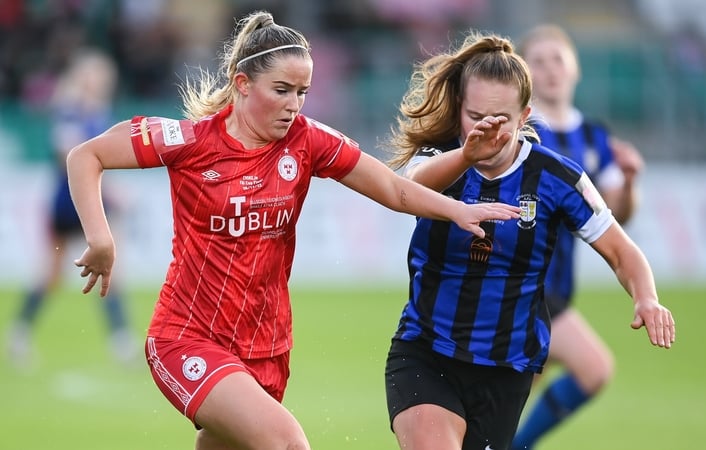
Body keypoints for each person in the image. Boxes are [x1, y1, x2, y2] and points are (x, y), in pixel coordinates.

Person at [65, 11, 519, 450]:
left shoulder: (306, 140)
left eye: (302, 91)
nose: (294, 105)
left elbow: (393, 190)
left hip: (267, 348)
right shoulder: (190, 142)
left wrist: (458, 210)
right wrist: (101, 238)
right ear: (242, 84)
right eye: (281, 90)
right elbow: (85, 156)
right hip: (187, 337)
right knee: (287, 444)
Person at [382, 30, 675, 450]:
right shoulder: (440, 159)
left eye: (499, 118)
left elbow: (621, 250)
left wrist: (645, 296)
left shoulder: (558, 178)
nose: (484, 128)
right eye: (473, 114)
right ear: (460, 109)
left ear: (525, 117)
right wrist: (466, 155)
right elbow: (408, 189)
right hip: (427, 352)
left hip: (508, 369)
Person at [510, 24, 646, 449]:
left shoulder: (593, 136)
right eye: (539, 61)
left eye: (558, 59)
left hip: (559, 289)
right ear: (524, 74)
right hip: (525, 283)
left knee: (511, 395)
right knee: (594, 367)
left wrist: (628, 183)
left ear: (575, 70)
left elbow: (614, 215)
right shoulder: (522, 129)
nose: (550, 69)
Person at [6, 48, 137, 369]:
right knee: (51, 273)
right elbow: (72, 158)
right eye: (97, 75)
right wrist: (113, 190)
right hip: (68, 203)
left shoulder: (99, 112)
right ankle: (19, 332)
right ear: (85, 77)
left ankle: (121, 340)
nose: (103, 81)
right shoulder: (70, 112)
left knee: (113, 269)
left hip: (93, 201)